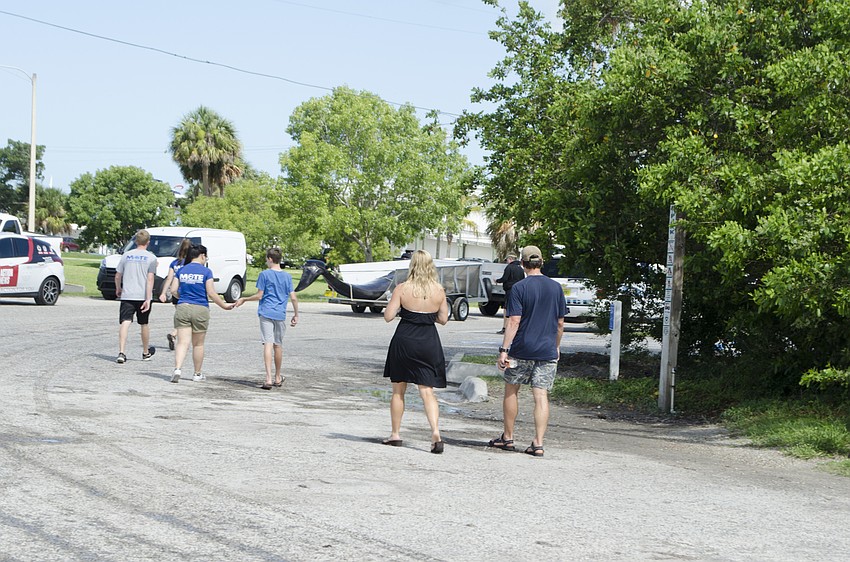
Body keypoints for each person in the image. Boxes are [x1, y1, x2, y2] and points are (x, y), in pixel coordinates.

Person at [489, 245, 566, 458]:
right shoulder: (556, 288)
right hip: (547, 351)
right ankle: (538, 443)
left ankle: (508, 437)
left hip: (521, 349)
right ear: (541, 262)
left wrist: (504, 350)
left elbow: (514, 321)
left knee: (511, 390)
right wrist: (556, 346)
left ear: (522, 264)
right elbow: (560, 323)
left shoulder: (519, 288)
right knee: (541, 396)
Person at [382, 249, 450, 454]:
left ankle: (395, 434)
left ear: (412, 265)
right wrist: (429, 316)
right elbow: (444, 319)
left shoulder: (402, 288)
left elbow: (388, 316)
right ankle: (435, 432)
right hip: (428, 341)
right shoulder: (439, 290)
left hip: (405, 341)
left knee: (398, 390)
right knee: (427, 391)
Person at [234, 247, 300, 390]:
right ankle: (278, 377)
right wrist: (296, 314)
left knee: (268, 344)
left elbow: (259, 295)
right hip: (280, 314)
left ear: (270, 259)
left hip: (266, 312)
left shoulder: (264, 275)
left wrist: (244, 299)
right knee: (278, 345)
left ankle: (268, 378)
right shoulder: (287, 277)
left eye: (266, 259)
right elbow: (293, 297)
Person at [169, 244, 234, 383]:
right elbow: (211, 292)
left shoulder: (181, 270)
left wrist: (183, 297)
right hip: (200, 308)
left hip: (183, 307)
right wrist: (224, 305)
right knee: (198, 344)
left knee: (182, 342)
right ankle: (197, 374)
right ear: (202, 255)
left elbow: (173, 289)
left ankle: (177, 369)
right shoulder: (206, 272)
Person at [114, 229, 157, 364]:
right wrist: (148, 298)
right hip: (142, 295)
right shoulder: (151, 258)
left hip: (128, 294)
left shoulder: (126, 255)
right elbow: (150, 279)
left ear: (136, 241)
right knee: (144, 323)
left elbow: (118, 275)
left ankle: (122, 352)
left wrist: (118, 287)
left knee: (125, 322)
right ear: (148, 242)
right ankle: (145, 352)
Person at [158, 238, 193, 350]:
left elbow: (169, 279)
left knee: (181, 317)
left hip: (175, 292)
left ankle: (176, 336)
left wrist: (163, 293)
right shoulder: (191, 263)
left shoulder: (174, 263)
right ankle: (175, 335)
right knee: (187, 320)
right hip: (187, 293)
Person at [495, 253, 524, 334]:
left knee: (506, 309)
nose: (507, 262)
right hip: (518, 291)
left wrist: (497, 280)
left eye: (507, 260)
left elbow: (504, 278)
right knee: (516, 309)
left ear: (510, 259)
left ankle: (505, 327)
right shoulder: (520, 269)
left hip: (510, 290)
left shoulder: (509, 267)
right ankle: (516, 327)